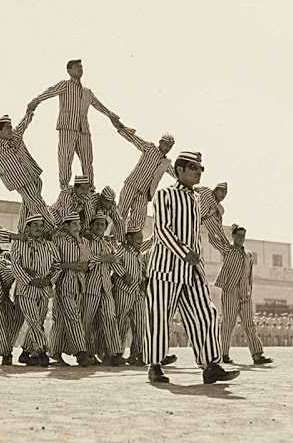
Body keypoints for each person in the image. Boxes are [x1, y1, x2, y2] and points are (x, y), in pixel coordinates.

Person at [144, 151, 239, 384]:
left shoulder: (197, 199)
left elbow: (210, 228)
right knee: (159, 316)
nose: (198, 172)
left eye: (201, 168)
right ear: (179, 170)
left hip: (193, 269)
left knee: (206, 313)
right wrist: (184, 252)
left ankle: (211, 365)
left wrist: (225, 249)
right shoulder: (164, 194)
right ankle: (154, 366)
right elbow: (163, 230)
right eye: (193, 167)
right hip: (165, 267)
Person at [27, 59, 123, 190]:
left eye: (81, 66)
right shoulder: (65, 85)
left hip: (83, 130)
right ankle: (65, 187)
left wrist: (111, 116)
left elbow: (98, 105)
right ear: (69, 70)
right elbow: (50, 91)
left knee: (87, 160)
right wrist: (36, 100)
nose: (80, 68)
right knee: (65, 158)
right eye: (77, 66)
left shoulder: (87, 91)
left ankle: (90, 188)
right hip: (67, 127)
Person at [0, 112, 56, 232]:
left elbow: (24, 123)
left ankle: (21, 231)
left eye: (11, 127)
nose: (10, 130)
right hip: (21, 182)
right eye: (7, 128)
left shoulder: (16, 137)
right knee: (37, 203)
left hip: (34, 176)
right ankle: (52, 228)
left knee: (28, 206)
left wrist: (31, 109)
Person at [214, 224, 272, 365]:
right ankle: (223, 354)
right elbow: (213, 239)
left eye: (243, 236)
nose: (241, 239)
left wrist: (249, 292)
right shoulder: (227, 249)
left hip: (244, 293)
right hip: (230, 291)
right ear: (233, 236)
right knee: (228, 323)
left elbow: (249, 276)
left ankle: (257, 354)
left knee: (249, 324)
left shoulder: (248, 255)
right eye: (238, 236)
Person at [10, 214, 61, 367]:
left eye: (41, 225)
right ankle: (42, 351)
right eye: (35, 225)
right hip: (26, 289)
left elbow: (57, 265)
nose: (39, 228)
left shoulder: (49, 246)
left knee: (38, 321)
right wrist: (30, 279)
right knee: (33, 320)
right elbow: (15, 266)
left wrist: (49, 280)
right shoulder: (19, 245)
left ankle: (26, 352)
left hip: (44, 289)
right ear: (28, 228)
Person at [115, 125, 176, 234]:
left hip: (144, 193)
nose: (167, 148)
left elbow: (177, 174)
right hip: (132, 185)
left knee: (139, 220)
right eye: (166, 144)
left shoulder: (166, 162)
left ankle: (131, 242)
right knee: (121, 213)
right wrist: (120, 128)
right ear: (160, 142)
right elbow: (135, 139)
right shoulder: (150, 148)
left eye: (170, 146)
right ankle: (113, 239)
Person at [83, 211, 125, 366]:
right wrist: (103, 259)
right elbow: (86, 263)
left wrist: (124, 275)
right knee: (87, 321)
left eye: (103, 224)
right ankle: (86, 353)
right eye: (97, 224)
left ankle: (114, 353)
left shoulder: (107, 244)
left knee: (110, 318)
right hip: (90, 288)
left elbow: (114, 262)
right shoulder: (86, 242)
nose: (100, 227)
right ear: (92, 226)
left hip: (106, 288)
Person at [49, 213, 91, 367]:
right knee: (73, 316)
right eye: (74, 224)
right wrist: (71, 265)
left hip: (79, 284)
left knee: (60, 320)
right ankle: (81, 352)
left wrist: (84, 267)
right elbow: (54, 263)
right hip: (64, 283)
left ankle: (54, 353)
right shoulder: (59, 240)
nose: (77, 228)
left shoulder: (84, 242)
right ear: (66, 226)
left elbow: (88, 262)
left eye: (79, 224)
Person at [111, 228, 149, 366]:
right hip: (123, 291)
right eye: (137, 237)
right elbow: (113, 262)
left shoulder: (140, 254)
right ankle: (117, 353)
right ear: (129, 238)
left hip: (138, 292)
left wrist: (144, 281)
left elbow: (143, 269)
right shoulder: (122, 251)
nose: (140, 239)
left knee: (140, 323)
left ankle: (137, 353)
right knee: (121, 322)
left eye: (141, 236)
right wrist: (123, 274)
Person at [196, 182, 231, 251]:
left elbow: (219, 230)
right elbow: (191, 189)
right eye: (222, 191)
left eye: (225, 193)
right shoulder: (206, 192)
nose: (223, 194)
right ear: (215, 190)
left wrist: (228, 245)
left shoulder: (217, 211)